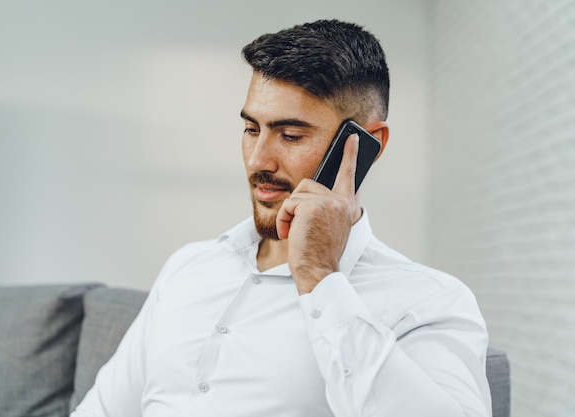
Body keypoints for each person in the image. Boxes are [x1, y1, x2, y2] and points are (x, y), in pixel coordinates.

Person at [71, 19, 491, 417]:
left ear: (366, 145)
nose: (258, 160)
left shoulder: (428, 300)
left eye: (290, 136)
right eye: (252, 129)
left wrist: (319, 276)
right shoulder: (189, 267)